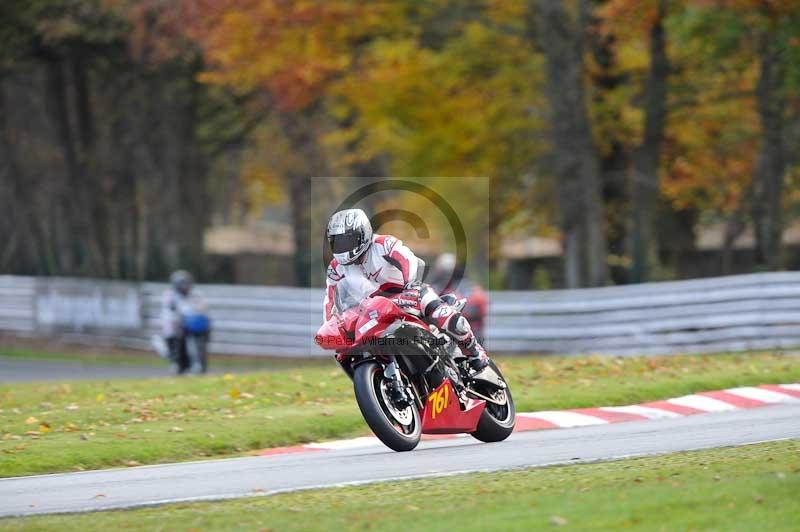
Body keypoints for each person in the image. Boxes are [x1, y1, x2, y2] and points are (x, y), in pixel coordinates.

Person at [323, 208, 490, 378]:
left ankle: (475, 351)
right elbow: (330, 298)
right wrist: (331, 324)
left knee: (440, 313)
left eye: (347, 241)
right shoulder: (336, 268)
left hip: (405, 293)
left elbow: (407, 258)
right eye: (338, 242)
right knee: (345, 351)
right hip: (371, 309)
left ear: (363, 233)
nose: (343, 247)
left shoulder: (383, 244)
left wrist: (410, 284)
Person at [427, 253, 488, 344]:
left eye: (445, 271)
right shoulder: (436, 287)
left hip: (468, 328)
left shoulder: (466, 286)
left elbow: (478, 306)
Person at [161, 270, 208, 374]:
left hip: (194, 325)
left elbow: (202, 309)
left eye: (186, 284)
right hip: (177, 326)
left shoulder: (195, 294)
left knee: (199, 345)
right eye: (182, 284)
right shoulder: (170, 295)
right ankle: (178, 364)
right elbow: (172, 311)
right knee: (177, 345)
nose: (185, 287)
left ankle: (198, 365)